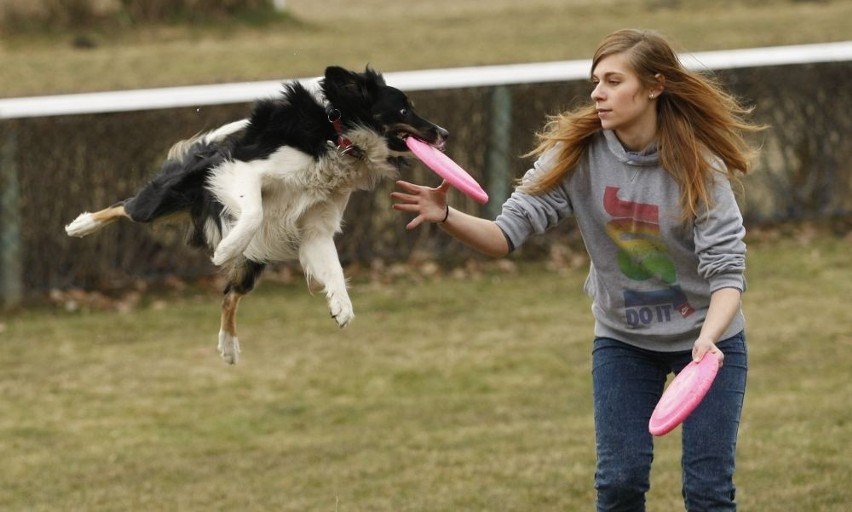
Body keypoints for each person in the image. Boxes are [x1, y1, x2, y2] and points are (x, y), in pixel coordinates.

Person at [391, 28, 765, 511]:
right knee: (619, 482)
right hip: (623, 341)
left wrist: (709, 340)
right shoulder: (576, 153)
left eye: (613, 80)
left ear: (653, 86)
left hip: (708, 345)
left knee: (709, 492)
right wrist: (447, 216)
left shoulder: (699, 166)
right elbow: (505, 236)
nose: (597, 93)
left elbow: (727, 277)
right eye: (595, 80)